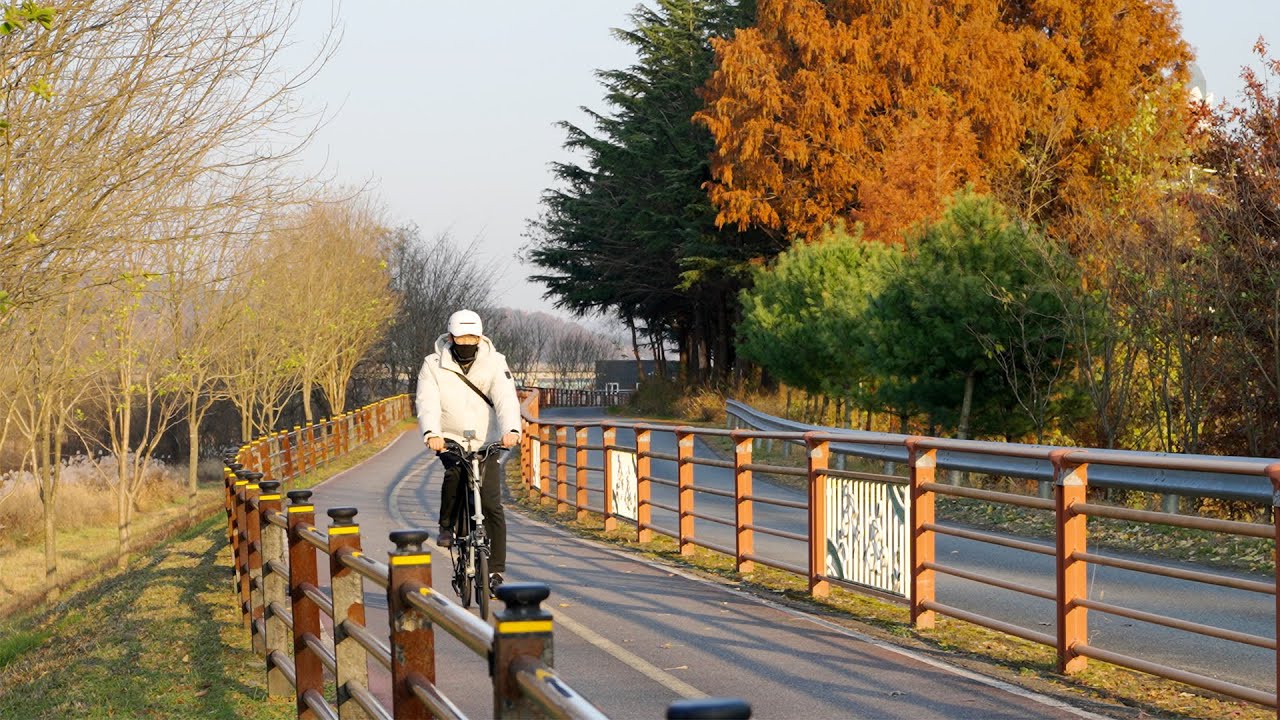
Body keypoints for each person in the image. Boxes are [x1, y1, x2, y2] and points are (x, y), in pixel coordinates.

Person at [416, 309, 521, 592]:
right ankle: (447, 526)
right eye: (461, 337)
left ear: (480, 336)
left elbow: (506, 398)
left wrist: (511, 429)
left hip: (488, 440)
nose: (467, 342)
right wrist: (432, 433)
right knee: (455, 473)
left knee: (491, 503)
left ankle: (496, 571)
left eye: (472, 337)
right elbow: (427, 401)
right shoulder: (433, 364)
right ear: (451, 337)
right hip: (449, 438)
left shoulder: (495, 362)